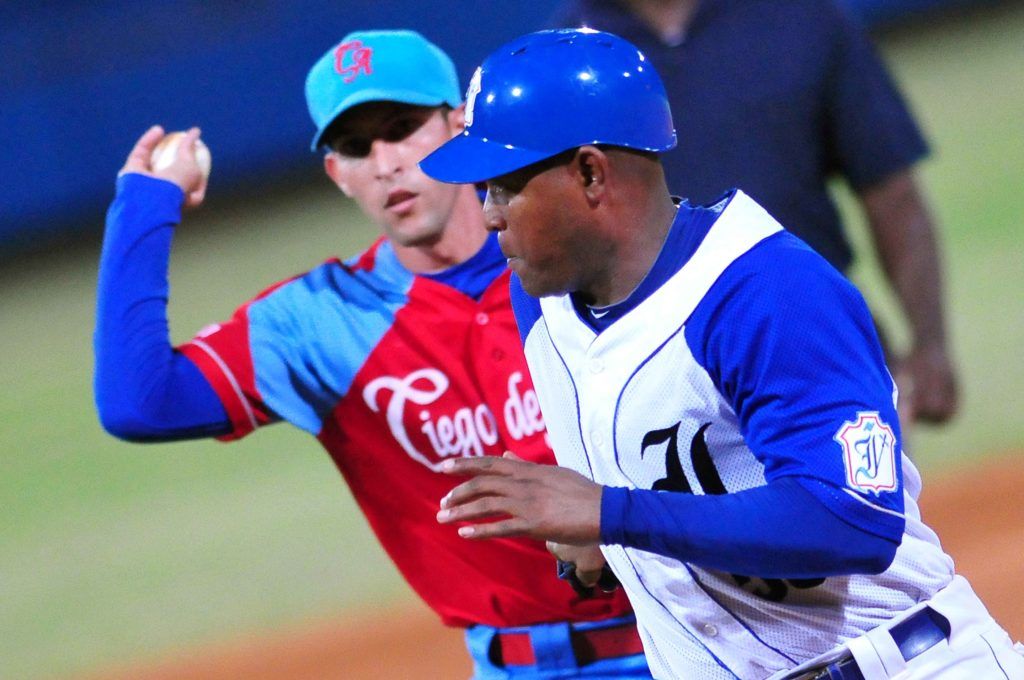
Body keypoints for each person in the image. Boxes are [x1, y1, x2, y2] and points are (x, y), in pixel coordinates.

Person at [423, 29, 1024, 679]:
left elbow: (855, 521)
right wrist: (593, 547)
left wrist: (608, 511)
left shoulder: (766, 292)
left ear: (591, 172)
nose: (488, 216)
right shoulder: (541, 301)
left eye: (505, 186)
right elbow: (649, 510)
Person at [93, 29, 653, 679]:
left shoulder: (577, 256)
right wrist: (144, 206)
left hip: (695, 630)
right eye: (356, 147)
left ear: (459, 124)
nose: (385, 162)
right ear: (337, 174)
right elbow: (138, 403)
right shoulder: (320, 322)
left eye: (402, 127)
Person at [546, 0, 959, 428]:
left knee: (855, 495)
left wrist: (930, 342)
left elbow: (890, 190)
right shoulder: (569, 56)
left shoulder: (801, 16)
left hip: (819, 341)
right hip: (656, 376)